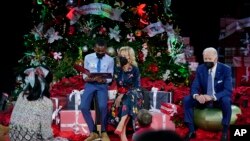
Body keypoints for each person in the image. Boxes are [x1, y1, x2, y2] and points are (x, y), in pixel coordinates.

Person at [183, 47, 233, 141]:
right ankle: (191, 130)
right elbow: (194, 86)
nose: (207, 61)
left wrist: (212, 97)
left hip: (218, 99)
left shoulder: (225, 69)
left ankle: (225, 131)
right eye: (205, 59)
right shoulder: (201, 69)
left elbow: (228, 90)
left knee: (226, 100)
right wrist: (197, 96)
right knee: (187, 99)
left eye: (209, 59)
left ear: (216, 58)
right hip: (204, 99)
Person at [81, 38, 114, 141]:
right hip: (90, 84)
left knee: (103, 106)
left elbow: (110, 76)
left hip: (102, 86)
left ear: (106, 49)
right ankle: (93, 132)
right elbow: (84, 73)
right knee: (83, 106)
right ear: (94, 48)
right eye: (98, 50)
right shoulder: (87, 57)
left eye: (102, 51)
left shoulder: (110, 60)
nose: (100, 53)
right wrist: (86, 77)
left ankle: (103, 131)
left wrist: (104, 80)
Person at [9, 66, 54, 141]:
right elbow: (46, 135)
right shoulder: (46, 102)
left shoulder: (21, 95)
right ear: (48, 83)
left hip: (13, 138)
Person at [109, 46, 143, 141]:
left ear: (130, 56)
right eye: (121, 55)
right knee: (126, 102)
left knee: (130, 96)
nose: (123, 57)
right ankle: (122, 135)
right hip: (122, 95)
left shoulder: (135, 69)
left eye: (125, 55)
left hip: (135, 94)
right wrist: (120, 95)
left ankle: (121, 125)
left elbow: (137, 86)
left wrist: (122, 94)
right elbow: (117, 84)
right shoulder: (118, 69)